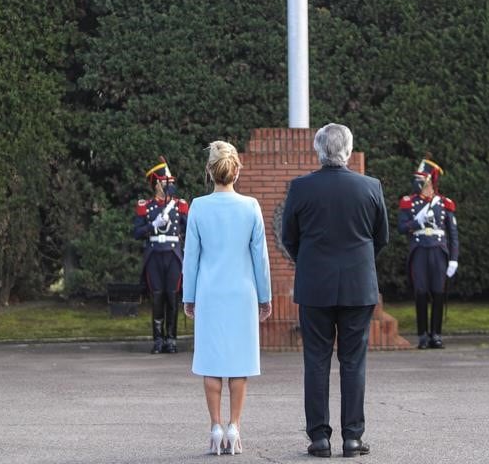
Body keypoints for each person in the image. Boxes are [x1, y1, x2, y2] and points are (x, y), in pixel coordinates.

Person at [281, 124, 389, 460]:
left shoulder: (300, 188)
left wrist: (310, 263)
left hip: (315, 286)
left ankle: (319, 439)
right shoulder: (370, 187)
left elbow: (289, 237)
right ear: (348, 149)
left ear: (319, 150)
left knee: (316, 361)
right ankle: (353, 439)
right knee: (353, 362)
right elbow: (380, 237)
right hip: (358, 285)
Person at [182, 140, 272, 457]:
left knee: (210, 360)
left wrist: (188, 296)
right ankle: (234, 426)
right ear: (237, 171)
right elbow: (260, 257)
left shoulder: (197, 206)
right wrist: (265, 296)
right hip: (242, 293)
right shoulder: (250, 207)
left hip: (209, 292)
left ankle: (215, 426)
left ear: (210, 171)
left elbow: (190, 257)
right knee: (238, 362)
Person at [398, 157, 459, 349]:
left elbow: (453, 234)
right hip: (419, 250)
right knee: (421, 292)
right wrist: (418, 221)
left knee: (438, 292)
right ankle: (423, 335)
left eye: (422, 179)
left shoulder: (444, 203)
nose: (419, 183)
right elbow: (401, 227)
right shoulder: (409, 202)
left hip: (439, 251)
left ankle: (436, 335)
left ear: (430, 181)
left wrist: (454, 259)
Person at [134, 156, 189, 353]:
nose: (169, 185)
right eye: (166, 182)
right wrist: (152, 225)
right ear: (156, 183)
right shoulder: (146, 206)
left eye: (170, 182)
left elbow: (190, 228)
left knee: (172, 297)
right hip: (154, 255)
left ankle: (171, 339)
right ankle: (158, 340)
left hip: (173, 255)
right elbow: (136, 232)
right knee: (157, 297)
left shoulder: (179, 204)